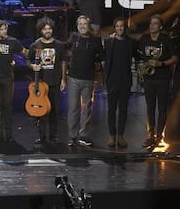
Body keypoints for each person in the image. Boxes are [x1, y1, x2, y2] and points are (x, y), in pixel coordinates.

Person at [137, 14, 178, 147]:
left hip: (162, 78)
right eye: (151, 23)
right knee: (150, 108)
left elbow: (175, 58)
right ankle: (150, 136)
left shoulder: (166, 40)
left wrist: (161, 64)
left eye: (155, 24)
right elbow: (136, 52)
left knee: (162, 109)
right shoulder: (144, 39)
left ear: (160, 26)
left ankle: (160, 136)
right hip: (148, 79)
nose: (151, 26)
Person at [27, 17, 66, 144]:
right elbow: (28, 59)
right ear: (41, 30)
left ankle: (54, 135)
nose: (48, 31)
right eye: (45, 29)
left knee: (54, 110)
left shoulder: (59, 45)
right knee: (40, 111)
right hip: (41, 83)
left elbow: (64, 62)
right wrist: (32, 66)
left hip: (55, 82)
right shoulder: (36, 45)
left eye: (49, 29)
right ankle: (42, 136)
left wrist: (63, 79)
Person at [0, 19, 27, 143]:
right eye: (2, 29)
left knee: (7, 106)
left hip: (7, 78)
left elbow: (25, 52)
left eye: (5, 29)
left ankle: (8, 133)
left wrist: (36, 54)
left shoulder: (12, 41)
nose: (4, 31)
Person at [66, 15, 103, 147]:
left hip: (88, 78)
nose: (82, 26)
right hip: (73, 78)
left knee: (86, 108)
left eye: (84, 24)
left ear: (89, 26)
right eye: (80, 23)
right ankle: (72, 136)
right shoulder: (73, 38)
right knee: (73, 108)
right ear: (77, 26)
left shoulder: (95, 40)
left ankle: (83, 135)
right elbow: (63, 50)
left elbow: (101, 56)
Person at [103, 17, 137, 148]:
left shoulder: (130, 43)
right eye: (117, 26)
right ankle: (112, 135)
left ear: (125, 28)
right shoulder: (109, 42)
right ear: (114, 28)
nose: (120, 28)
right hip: (112, 79)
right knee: (111, 110)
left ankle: (121, 135)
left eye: (122, 26)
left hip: (125, 80)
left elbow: (137, 55)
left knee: (123, 110)